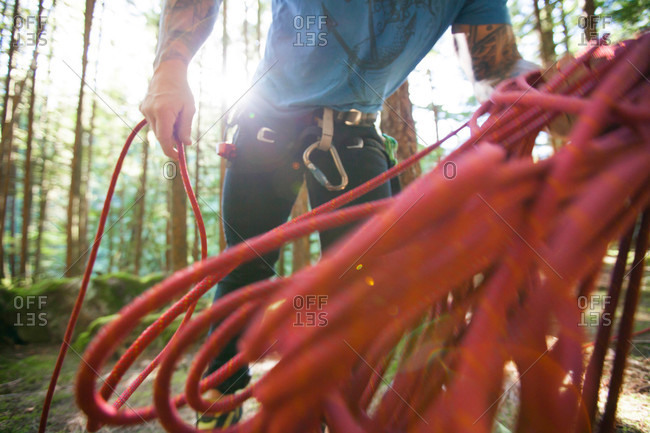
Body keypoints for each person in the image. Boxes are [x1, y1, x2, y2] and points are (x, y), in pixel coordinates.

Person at [140, 0, 536, 428]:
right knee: (244, 267)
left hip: (359, 131)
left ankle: (338, 411)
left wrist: (552, 90)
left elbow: (495, 67)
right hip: (266, 121)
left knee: (358, 288)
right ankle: (220, 402)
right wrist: (170, 67)